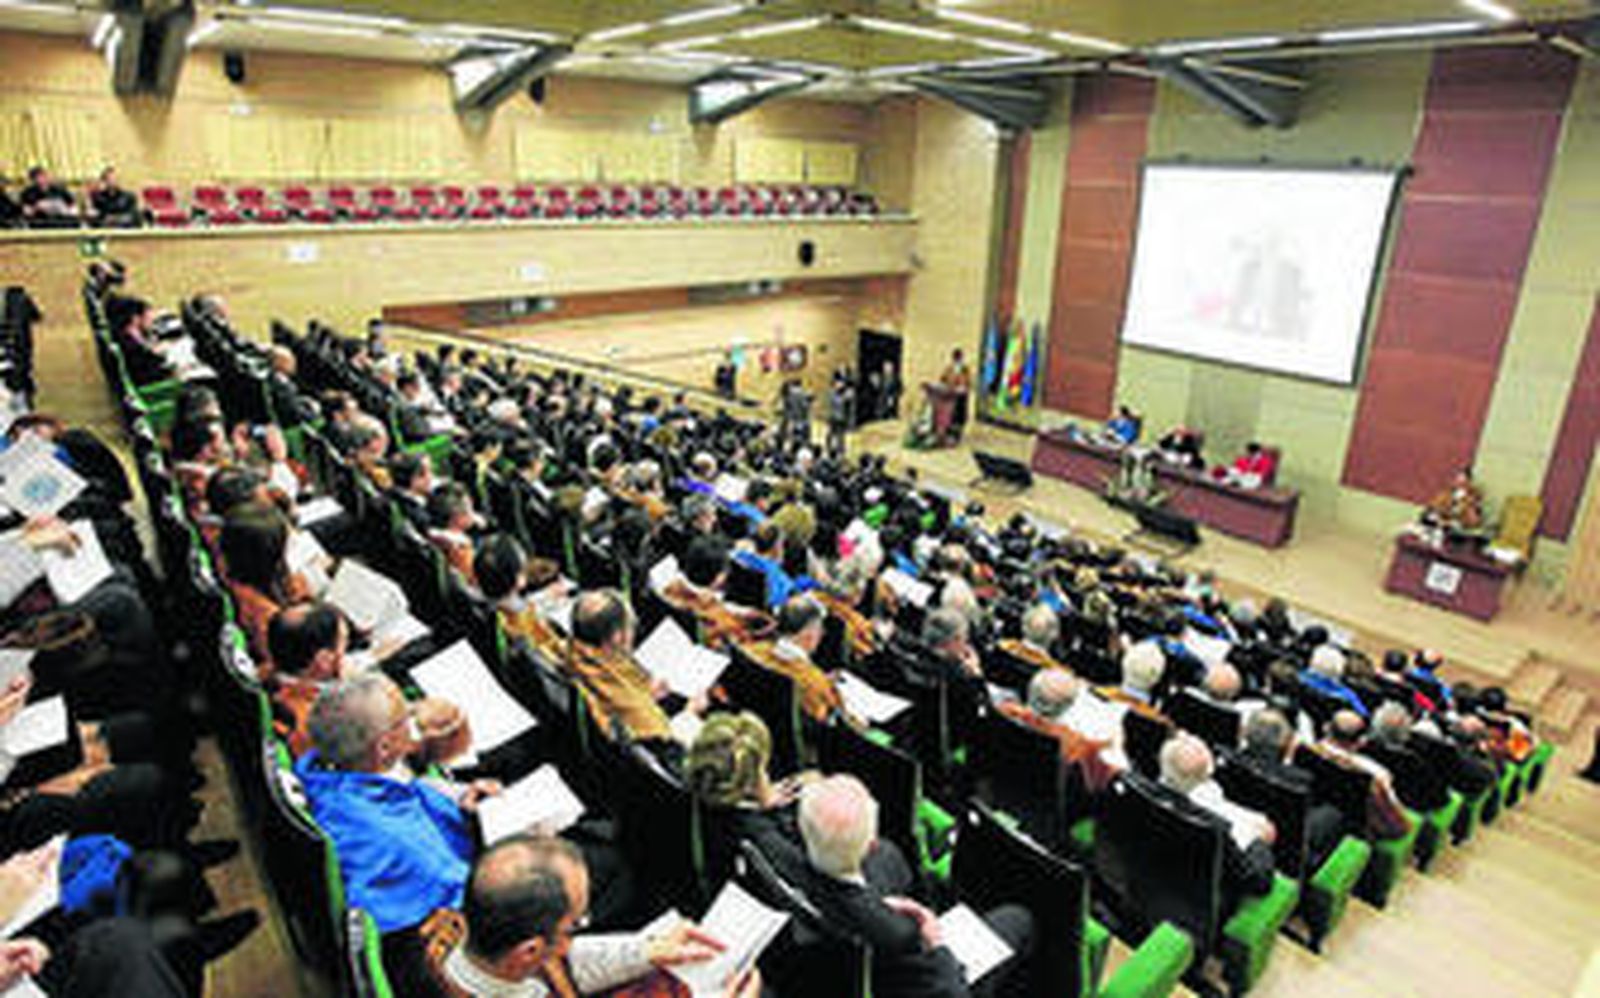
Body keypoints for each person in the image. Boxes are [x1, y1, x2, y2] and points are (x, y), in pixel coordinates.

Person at [785, 775, 1033, 998]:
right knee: (1019, 919)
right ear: (871, 845)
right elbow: (951, 991)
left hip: (841, 968)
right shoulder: (900, 936)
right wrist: (937, 946)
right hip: (913, 982)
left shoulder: (782, 860)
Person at [438, 835, 757, 998]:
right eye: (575, 925)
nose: (577, 934)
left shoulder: (446, 929)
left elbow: (559, 961)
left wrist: (645, 950)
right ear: (530, 950)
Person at [1157, 734, 1277, 903]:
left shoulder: (1152, 797)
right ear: (1211, 768)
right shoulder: (1217, 826)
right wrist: (1258, 844)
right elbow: (1259, 883)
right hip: (1210, 899)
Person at [737, 595, 848, 724]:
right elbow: (826, 720)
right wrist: (827, 687)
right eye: (820, 629)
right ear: (808, 635)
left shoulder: (751, 650)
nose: (823, 633)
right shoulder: (814, 681)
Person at [1422, 466, 1485, 532]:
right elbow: (1436, 505)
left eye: (1462, 478)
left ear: (1468, 480)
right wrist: (1437, 512)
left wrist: (1450, 520)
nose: (1458, 480)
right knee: (1430, 516)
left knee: (1452, 524)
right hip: (1444, 517)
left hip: (1459, 521)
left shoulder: (1472, 494)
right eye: (1457, 477)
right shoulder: (1448, 491)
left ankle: (1438, 527)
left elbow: (1472, 515)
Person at [938, 349, 972, 444]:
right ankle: (949, 434)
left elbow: (968, 382)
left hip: (961, 395)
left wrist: (963, 387)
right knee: (951, 415)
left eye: (958, 358)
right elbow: (943, 379)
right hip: (951, 394)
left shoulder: (964, 369)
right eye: (955, 358)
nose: (956, 360)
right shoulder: (949, 368)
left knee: (959, 415)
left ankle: (957, 435)